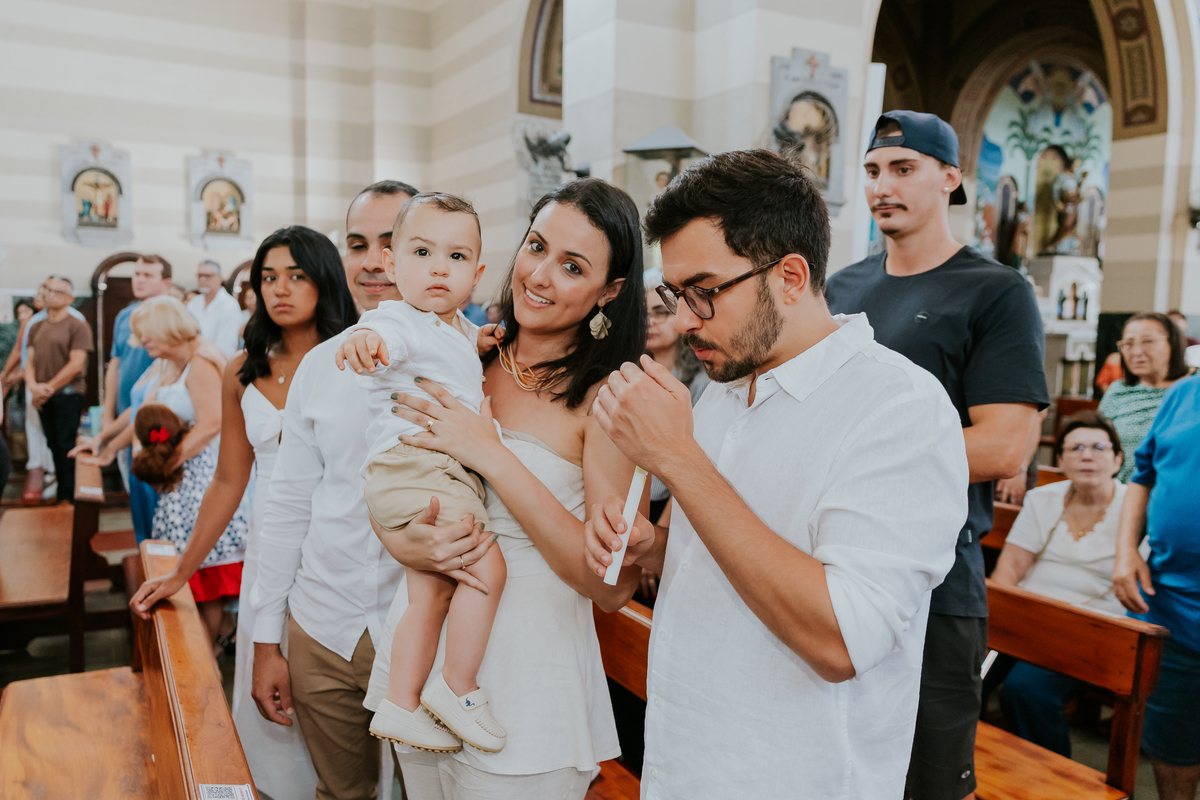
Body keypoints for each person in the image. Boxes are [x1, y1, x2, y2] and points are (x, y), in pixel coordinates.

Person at [583, 149, 968, 799]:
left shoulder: (899, 406)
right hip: (685, 758)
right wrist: (653, 548)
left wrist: (677, 458)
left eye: (704, 292)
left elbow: (839, 639)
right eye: (678, 296)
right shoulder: (725, 386)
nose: (684, 320)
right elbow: (714, 538)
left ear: (790, 276)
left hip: (794, 774)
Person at [364, 177, 647, 799]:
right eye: (536, 246)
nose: (539, 275)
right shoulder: (463, 357)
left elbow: (612, 584)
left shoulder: (610, 401)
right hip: (424, 655)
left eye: (572, 266)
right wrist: (404, 543)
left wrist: (493, 455)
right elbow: (389, 470)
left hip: (525, 683)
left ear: (611, 291)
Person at [825, 111, 1048, 800]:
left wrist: (854, 456)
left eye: (903, 168)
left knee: (927, 782)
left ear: (950, 178)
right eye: (871, 170)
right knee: (836, 767)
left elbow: (1005, 442)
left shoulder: (995, 290)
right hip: (833, 563)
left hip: (936, 580)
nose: (882, 185)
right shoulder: (842, 289)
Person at [129, 225, 356, 799]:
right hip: (270, 547)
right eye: (268, 277)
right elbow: (229, 481)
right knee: (272, 704)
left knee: (345, 706)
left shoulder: (356, 357)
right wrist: (181, 571)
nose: (279, 290)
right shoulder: (241, 369)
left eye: (296, 276)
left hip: (345, 549)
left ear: (323, 279)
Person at [250, 179, 420, 800]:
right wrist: (268, 641)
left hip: (422, 628)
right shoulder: (322, 365)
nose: (374, 259)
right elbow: (289, 505)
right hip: (323, 625)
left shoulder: (468, 358)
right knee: (341, 794)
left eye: (393, 241)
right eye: (357, 243)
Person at [338, 193, 506, 754]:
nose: (439, 267)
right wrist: (367, 343)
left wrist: (476, 343)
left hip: (416, 473)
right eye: (422, 251)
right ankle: (457, 687)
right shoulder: (397, 319)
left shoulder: (453, 327)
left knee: (429, 593)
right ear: (391, 265)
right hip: (420, 465)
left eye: (457, 257)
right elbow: (389, 339)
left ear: (477, 274)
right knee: (486, 565)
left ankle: (401, 702)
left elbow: (446, 350)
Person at [988, 411, 1129, 756]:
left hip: (1093, 627)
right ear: (1061, 458)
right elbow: (1009, 567)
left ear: (1117, 459)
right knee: (965, 678)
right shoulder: (1044, 499)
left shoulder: (1136, 508)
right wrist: (1005, 620)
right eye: (1076, 447)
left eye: (1098, 447)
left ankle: (1050, 781)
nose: (1086, 455)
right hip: (1028, 615)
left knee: (1026, 691)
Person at [133, 296, 249, 647]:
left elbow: (212, 422)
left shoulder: (201, 360)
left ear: (166, 328)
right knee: (190, 562)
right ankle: (199, 642)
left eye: (147, 335)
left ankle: (205, 650)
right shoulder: (174, 361)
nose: (143, 343)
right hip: (186, 478)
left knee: (205, 569)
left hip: (204, 474)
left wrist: (167, 464)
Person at [1112, 372, 1200, 800]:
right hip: (1167, 600)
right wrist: (1127, 549)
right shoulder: (1183, 393)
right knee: (1172, 740)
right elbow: (1142, 476)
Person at [1098, 312, 1193, 483]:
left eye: (1148, 341)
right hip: (1121, 493)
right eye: (1128, 344)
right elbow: (1098, 440)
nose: (1136, 351)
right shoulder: (1118, 390)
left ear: (1173, 343)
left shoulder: (1194, 387)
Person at [104, 255, 172, 492]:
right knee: (131, 486)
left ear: (166, 283)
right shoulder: (125, 315)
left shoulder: (174, 317)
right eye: (137, 274)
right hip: (125, 413)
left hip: (157, 418)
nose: (139, 280)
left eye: (148, 275)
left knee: (153, 490)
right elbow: (115, 365)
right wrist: (107, 414)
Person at [25, 276, 94, 502]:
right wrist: (34, 387)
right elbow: (30, 362)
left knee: (65, 444)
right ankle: (62, 494)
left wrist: (47, 388)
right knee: (53, 444)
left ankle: (69, 497)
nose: (51, 295)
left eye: (57, 292)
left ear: (70, 299)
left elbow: (76, 364)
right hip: (43, 396)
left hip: (68, 395)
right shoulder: (36, 325)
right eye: (48, 291)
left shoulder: (77, 325)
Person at [187, 259, 243, 356]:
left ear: (219, 278)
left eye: (208, 276)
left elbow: (226, 347)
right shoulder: (194, 302)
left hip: (215, 362)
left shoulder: (229, 305)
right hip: (191, 358)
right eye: (200, 275)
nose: (202, 279)